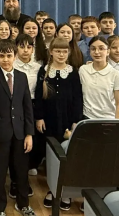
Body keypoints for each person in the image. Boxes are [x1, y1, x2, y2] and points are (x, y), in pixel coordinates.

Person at [0, 39, 36, 216]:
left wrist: (29, 134)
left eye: (9, 56)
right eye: (2, 56)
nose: (5, 59)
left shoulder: (22, 77)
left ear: (15, 56)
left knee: (21, 171)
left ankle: (23, 204)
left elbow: (27, 107)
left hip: (20, 133)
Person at [33, 38, 82, 211]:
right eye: (58, 51)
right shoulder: (44, 71)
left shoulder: (73, 72)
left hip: (67, 120)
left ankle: (65, 192)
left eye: (64, 51)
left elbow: (78, 98)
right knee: (51, 157)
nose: (61, 54)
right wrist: (39, 117)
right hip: (49, 120)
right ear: (51, 52)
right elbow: (39, 97)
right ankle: (52, 190)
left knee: (67, 156)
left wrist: (75, 121)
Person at [13, 34, 42, 178]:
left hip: (32, 103)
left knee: (32, 136)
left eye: (29, 47)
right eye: (22, 46)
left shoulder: (38, 67)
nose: (25, 50)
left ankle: (31, 164)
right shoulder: (11, 65)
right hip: (15, 104)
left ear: (33, 49)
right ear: (16, 48)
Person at [78, 36, 119, 120]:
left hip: (109, 119)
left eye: (101, 48)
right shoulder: (83, 70)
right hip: (87, 118)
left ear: (108, 51)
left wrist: (117, 123)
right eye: (93, 49)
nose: (97, 52)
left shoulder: (116, 74)